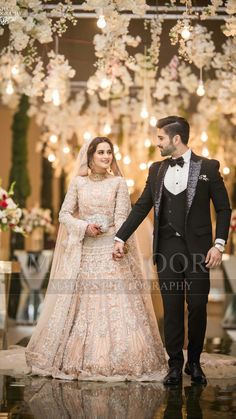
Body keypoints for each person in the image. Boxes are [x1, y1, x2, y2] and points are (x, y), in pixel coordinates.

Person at [24, 136, 167, 381]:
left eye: (109, 152)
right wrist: (83, 226)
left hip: (110, 250)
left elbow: (122, 216)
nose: (105, 156)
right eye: (100, 152)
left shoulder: (118, 183)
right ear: (90, 156)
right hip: (86, 252)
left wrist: (119, 243)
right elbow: (64, 214)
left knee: (116, 302)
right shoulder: (79, 183)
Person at [113, 116, 232, 386]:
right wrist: (121, 237)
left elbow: (224, 208)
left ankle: (195, 362)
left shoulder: (209, 167)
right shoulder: (155, 170)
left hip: (200, 250)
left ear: (175, 139)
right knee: (172, 307)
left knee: (198, 306)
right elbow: (142, 206)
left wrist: (219, 243)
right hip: (167, 249)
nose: (157, 143)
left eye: (160, 138)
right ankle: (175, 364)